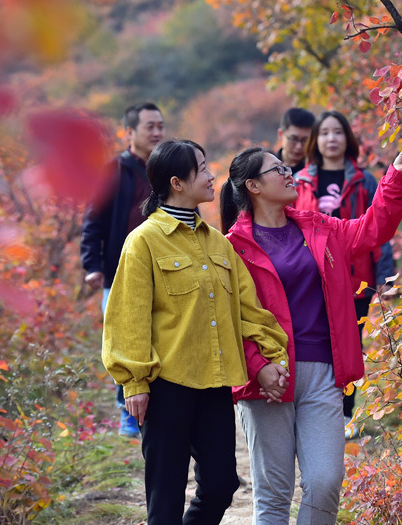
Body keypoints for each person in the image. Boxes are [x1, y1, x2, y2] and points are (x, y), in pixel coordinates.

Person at [220, 143, 402, 525]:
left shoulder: (319, 228)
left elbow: (373, 228)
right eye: (277, 170)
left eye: (286, 168)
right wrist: (257, 366)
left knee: (325, 481)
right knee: (274, 494)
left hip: (323, 373)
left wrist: (397, 175)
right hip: (269, 379)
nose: (288, 174)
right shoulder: (232, 248)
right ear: (253, 186)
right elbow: (228, 321)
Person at [102, 139, 290, 525]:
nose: (210, 176)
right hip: (166, 385)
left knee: (221, 484)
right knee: (166, 495)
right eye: (202, 169)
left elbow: (247, 310)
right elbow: (127, 316)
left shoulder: (218, 243)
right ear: (177, 183)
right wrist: (134, 382)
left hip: (214, 383)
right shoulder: (143, 241)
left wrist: (271, 356)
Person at [292, 110, 396, 425]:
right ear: (315, 140)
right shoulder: (299, 181)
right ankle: (312, 409)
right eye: (324, 133)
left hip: (354, 281)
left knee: (349, 346)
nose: (331, 139)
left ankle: (344, 414)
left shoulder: (364, 180)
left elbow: (378, 232)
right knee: (314, 344)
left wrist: (385, 278)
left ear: (347, 138)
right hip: (311, 281)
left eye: (337, 132)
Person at [81, 102, 164, 437]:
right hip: (119, 271)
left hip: (163, 269)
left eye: (160, 126)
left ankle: (157, 406)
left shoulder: (166, 167)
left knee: (160, 336)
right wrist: (92, 265)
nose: (157, 132)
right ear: (129, 132)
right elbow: (92, 220)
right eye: (150, 126)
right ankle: (127, 411)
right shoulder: (113, 171)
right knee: (122, 339)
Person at [275, 108, 315, 175]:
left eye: (305, 140)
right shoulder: (268, 167)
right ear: (280, 134)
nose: (299, 146)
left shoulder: (314, 170)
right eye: (294, 139)